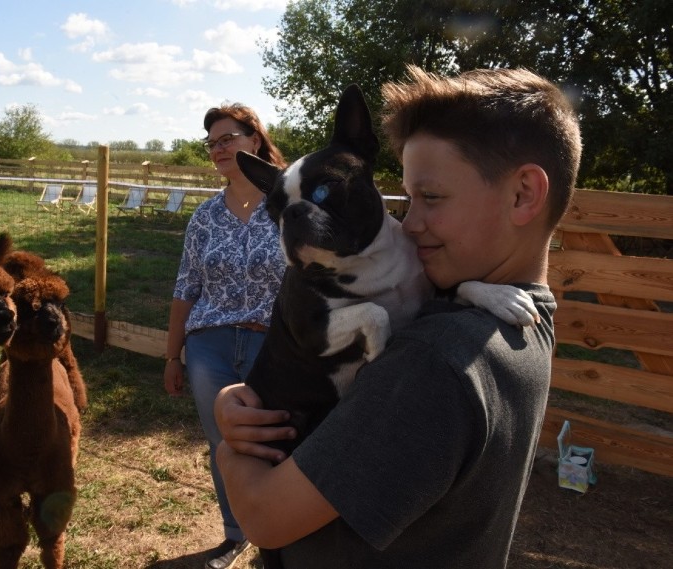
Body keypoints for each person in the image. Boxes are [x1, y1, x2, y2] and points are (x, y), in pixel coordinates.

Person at [213, 65, 582, 568]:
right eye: (408, 199)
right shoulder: (527, 314)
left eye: (430, 198)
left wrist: (228, 449)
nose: (409, 222)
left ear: (523, 195)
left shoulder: (432, 364)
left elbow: (262, 518)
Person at [163, 102, 288, 568]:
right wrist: (173, 355)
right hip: (209, 347)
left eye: (227, 138)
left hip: (275, 346)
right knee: (224, 446)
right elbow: (185, 288)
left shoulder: (288, 205)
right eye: (212, 143)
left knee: (278, 442)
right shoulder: (206, 216)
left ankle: (279, 536)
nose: (218, 149)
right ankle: (235, 534)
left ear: (254, 139)